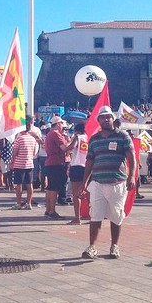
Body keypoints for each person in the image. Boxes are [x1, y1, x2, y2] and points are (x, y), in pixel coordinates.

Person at [80, 106, 136, 260]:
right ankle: (92, 247)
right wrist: (84, 182)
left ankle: (114, 246)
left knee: (116, 216)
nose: (106, 119)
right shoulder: (94, 139)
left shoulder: (123, 136)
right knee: (95, 216)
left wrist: (132, 177)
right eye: (103, 117)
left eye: (108, 117)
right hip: (98, 182)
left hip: (117, 183)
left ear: (113, 119)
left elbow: (132, 157)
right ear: (98, 120)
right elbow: (89, 161)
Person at [10, 116, 39, 210]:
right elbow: (34, 152)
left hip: (19, 164)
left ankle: (19, 203)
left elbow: (14, 153)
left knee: (18, 184)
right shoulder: (33, 139)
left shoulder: (19, 139)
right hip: (30, 164)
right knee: (29, 184)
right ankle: (29, 203)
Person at [43, 116, 70, 219]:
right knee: (54, 188)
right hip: (57, 163)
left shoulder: (50, 134)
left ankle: (48, 209)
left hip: (50, 162)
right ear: (58, 124)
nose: (63, 126)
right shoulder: (56, 134)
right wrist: (74, 141)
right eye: (61, 124)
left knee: (50, 188)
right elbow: (65, 148)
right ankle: (52, 210)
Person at [67, 122, 88, 224]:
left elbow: (71, 147)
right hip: (87, 166)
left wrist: (65, 146)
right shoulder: (88, 138)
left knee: (76, 193)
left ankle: (77, 217)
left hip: (76, 166)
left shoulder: (78, 137)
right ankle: (92, 215)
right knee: (88, 192)